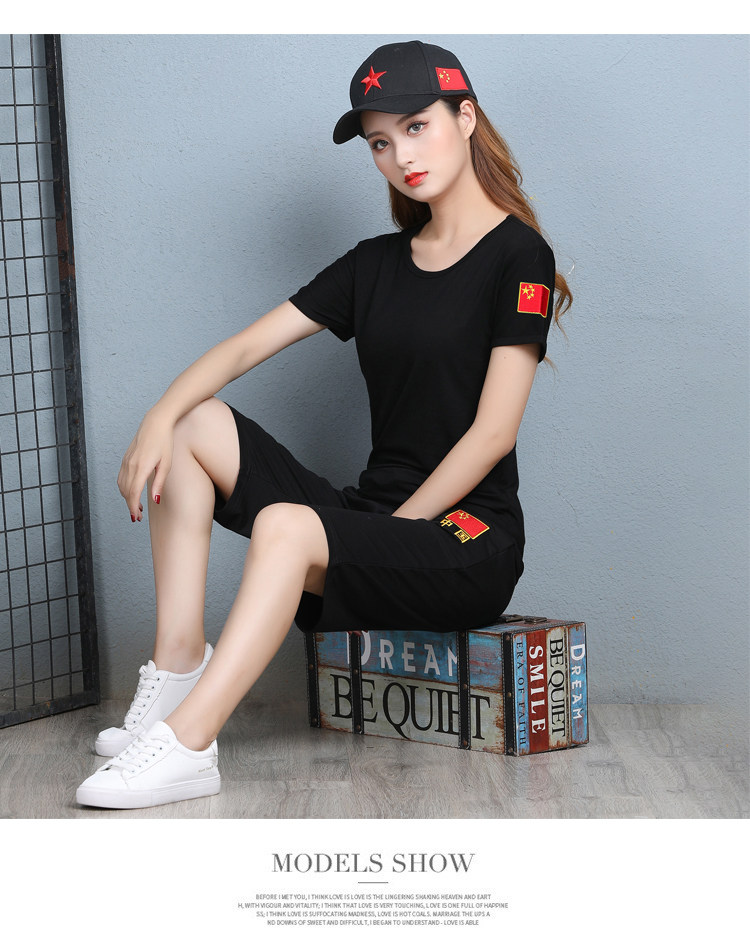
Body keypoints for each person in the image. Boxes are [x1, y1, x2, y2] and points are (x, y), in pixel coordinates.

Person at [76, 39, 572, 809]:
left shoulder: (519, 256)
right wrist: (159, 414)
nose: (401, 156)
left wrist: (389, 534)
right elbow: (245, 347)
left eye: (416, 126)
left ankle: (190, 744)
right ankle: (176, 666)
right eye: (380, 142)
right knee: (194, 422)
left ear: (466, 117)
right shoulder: (375, 264)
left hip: (466, 540)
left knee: (287, 524)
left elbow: (492, 434)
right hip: (372, 516)